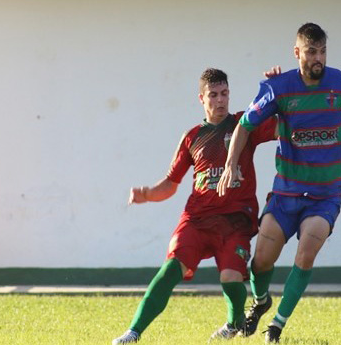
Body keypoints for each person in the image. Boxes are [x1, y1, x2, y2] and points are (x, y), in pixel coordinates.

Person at [218, 22, 341, 343]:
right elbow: (245, 125)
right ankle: (261, 302)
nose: (319, 58)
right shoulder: (279, 88)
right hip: (287, 193)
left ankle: (276, 325)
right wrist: (231, 163)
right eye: (312, 52)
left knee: (305, 253)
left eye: (323, 51)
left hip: (325, 196)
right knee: (260, 261)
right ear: (297, 53)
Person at [112, 68, 277, 344]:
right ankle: (133, 332)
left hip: (236, 219)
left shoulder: (244, 124)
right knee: (170, 268)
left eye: (225, 94)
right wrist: (146, 194)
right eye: (213, 95)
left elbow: (280, 125)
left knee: (230, 276)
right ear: (201, 98)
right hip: (197, 219)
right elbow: (170, 183)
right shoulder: (193, 137)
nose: (221, 100)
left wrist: (277, 89)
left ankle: (234, 323)